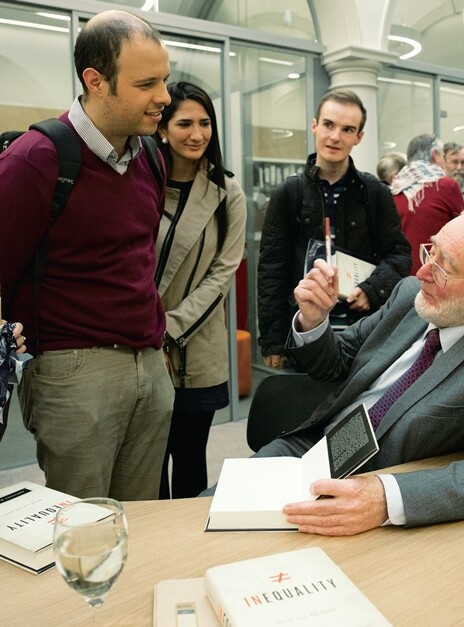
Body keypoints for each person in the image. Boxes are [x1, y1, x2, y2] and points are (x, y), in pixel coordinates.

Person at [212, 206, 464, 536]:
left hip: (367, 479)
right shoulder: (410, 296)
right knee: (200, 514)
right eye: (431, 251)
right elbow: (338, 361)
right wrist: (314, 321)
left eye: (443, 267)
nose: (422, 271)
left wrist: (386, 498)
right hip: (310, 446)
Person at [0, 10, 175, 500]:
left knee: (143, 524)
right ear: (95, 81)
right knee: (83, 529)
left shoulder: (151, 156)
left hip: (149, 363)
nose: (164, 96)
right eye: (147, 83)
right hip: (73, 373)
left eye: (164, 79)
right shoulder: (35, 160)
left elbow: (140, 257)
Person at [257, 89, 411, 369]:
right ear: (314, 126)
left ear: (358, 137)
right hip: (303, 330)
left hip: (362, 332)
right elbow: (272, 269)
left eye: (347, 129)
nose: (335, 136)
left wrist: (372, 289)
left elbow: (399, 255)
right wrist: (272, 340)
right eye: (328, 125)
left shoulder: (375, 192)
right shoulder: (288, 193)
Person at [154, 82, 247, 498]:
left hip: (196, 344)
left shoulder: (228, 193)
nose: (197, 133)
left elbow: (222, 273)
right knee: (147, 461)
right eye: (185, 123)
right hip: (141, 345)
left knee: (190, 458)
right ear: (161, 128)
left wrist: (169, 325)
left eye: (205, 123)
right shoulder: (140, 186)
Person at [391, 134, 464, 275]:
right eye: (443, 155)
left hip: (399, 275)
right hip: (436, 274)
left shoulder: (394, 187)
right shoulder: (445, 186)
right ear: (435, 155)